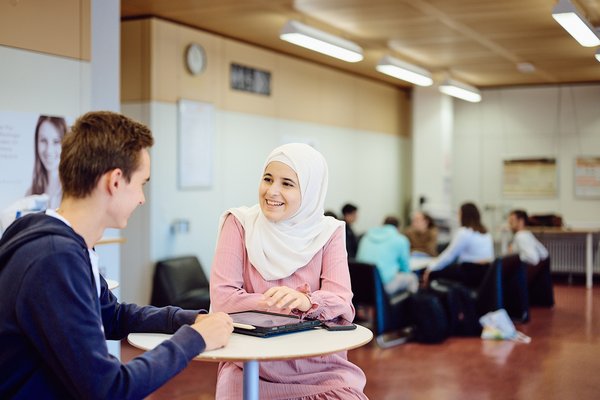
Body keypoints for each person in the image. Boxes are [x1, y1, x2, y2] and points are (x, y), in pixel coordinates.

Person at [0, 111, 233, 399]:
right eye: (141, 184)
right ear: (115, 181)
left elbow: (112, 315)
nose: (141, 198)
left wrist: (187, 320)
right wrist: (195, 340)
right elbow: (109, 389)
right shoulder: (54, 258)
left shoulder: (58, 238)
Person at [210, 143, 368, 399]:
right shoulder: (238, 224)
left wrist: (307, 300)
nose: (272, 191)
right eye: (268, 179)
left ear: (310, 190)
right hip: (251, 365)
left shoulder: (329, 232)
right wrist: (295, 305)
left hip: (321, 366)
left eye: (287, 183)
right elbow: (224, 300)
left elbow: (341, 302)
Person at [423, 202, 494, 288]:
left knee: (433, 274)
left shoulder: (464, 232)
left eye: (459, 213)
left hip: (469, 272)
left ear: (464, 215)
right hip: (484, 273)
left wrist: (430, 268)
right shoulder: (486, 232)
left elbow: (449, 256)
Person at [356, 216, 419, 295]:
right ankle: (407, 306)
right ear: (398, 228)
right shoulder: (401, 240)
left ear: (383, 225)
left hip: (360, 284)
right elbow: (405, 269)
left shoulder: (365, 237)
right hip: (383, 286)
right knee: (413, 278)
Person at [26, 115, 67, 209]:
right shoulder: (30, 194)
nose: (49, 150)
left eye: (56, 141)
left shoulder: (76, 192)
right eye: (43, 141)